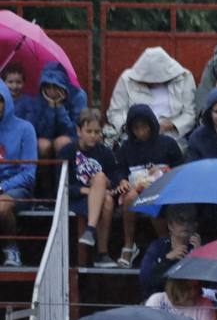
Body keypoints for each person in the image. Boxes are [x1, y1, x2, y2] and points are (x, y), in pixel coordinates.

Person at [116, 103, 184, 269]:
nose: (141, 132)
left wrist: (163, 171)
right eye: (136, 128)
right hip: (135, 190)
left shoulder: (168, 143)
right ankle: (128, 246)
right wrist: (122, 181)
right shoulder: (126, 148)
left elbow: (181, 169)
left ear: (152, 125)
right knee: (131, 197)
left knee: (153, 198)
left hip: (163, 190)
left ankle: (166, 243)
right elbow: (119, 171)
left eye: (144, 127)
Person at [61, 108, 119, 268]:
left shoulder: (105, 153)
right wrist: (86, 190)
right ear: (79, 131)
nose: (93, 136)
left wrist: (108, 184)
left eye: (97, 132)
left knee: (106, 195)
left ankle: (92, 235)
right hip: (75, 197)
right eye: (89, 131)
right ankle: (101, 251)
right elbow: (60, 186)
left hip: (99, 199)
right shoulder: (68, 151)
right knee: (100, 182)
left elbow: (114, 179)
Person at [108, 48, 197, 147]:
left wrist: (171, 125)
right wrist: (133, 128)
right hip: (133, 140)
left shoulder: (185, 77)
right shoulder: (126, 79)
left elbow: (190, 113)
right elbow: (115, 112)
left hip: (172, 139)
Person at [15, 61, 86, 164]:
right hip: (47, 136)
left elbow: (75, 129)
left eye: (55, 87)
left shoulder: (78, 96)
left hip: (71, 136)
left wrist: (60, 108)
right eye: (48, 87)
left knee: (61, 143)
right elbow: (41, 131)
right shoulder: (40, 97)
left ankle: (62, 177)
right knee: (43, 145)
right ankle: (45, 179)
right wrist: (51, 108)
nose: (51, 91)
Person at [0, 85, 33, 267]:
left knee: (2, 205)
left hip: (17, 189)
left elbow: (28, 174)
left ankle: (11, 249)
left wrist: (2, 187)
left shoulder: (25, 129)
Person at [138, 204, 198, 298]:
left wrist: (199, 257)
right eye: (181, 219)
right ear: (170, 225)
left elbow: (210, 286)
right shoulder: (158, 246)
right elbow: (145, 280)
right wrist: (167, 259)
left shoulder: (200, 247)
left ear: (195, 225)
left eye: (190, 220)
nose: (186, 224)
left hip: (191, 301)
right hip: (160, 301)